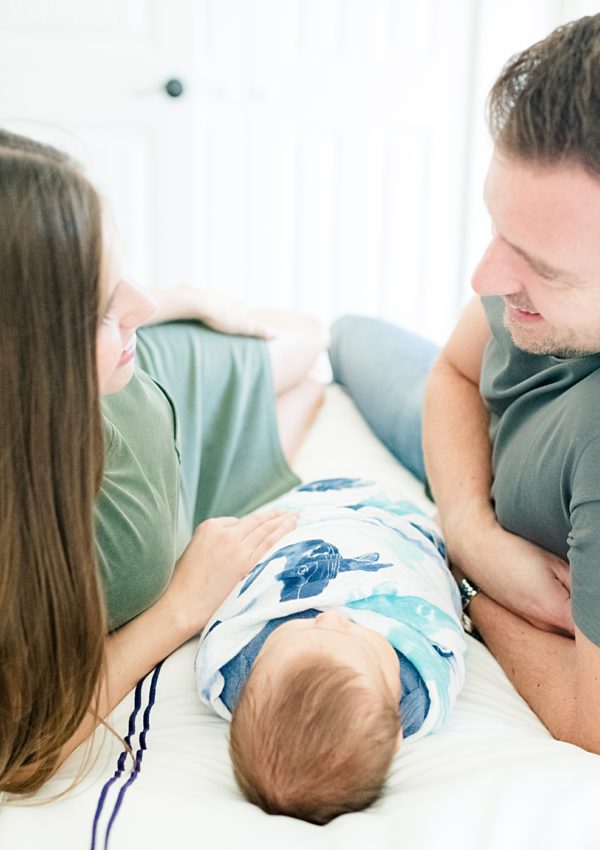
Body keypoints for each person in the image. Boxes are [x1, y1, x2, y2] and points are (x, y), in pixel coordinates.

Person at [0, 128, 328, 794]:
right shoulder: (45, 539)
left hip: (140, 394)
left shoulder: (115, 363)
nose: (139, 306)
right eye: (97, 309)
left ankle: (222, 462)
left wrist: (174, 301)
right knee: (309, 379)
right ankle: (228, 474)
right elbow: (22, 747)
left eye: (121, 278)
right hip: (141, 456)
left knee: (310, 348)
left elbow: (134, 318)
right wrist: (183, 603)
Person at [329, 13, 600, 755]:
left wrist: (473, 594)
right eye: (496, 228)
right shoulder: (530, 275)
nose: (482, 279)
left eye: (541, 267)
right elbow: (453, 366)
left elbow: (591, 722)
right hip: (479, 449)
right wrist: (469, 528)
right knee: (346, 332)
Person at [195, 478, 467, 824]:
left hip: (309, 517)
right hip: (393, 525)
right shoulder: (418, 687)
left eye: (304, 629)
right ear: (396, 734)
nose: (331, 619)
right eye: (356, 637)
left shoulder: (239, 668)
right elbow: (448, 635)